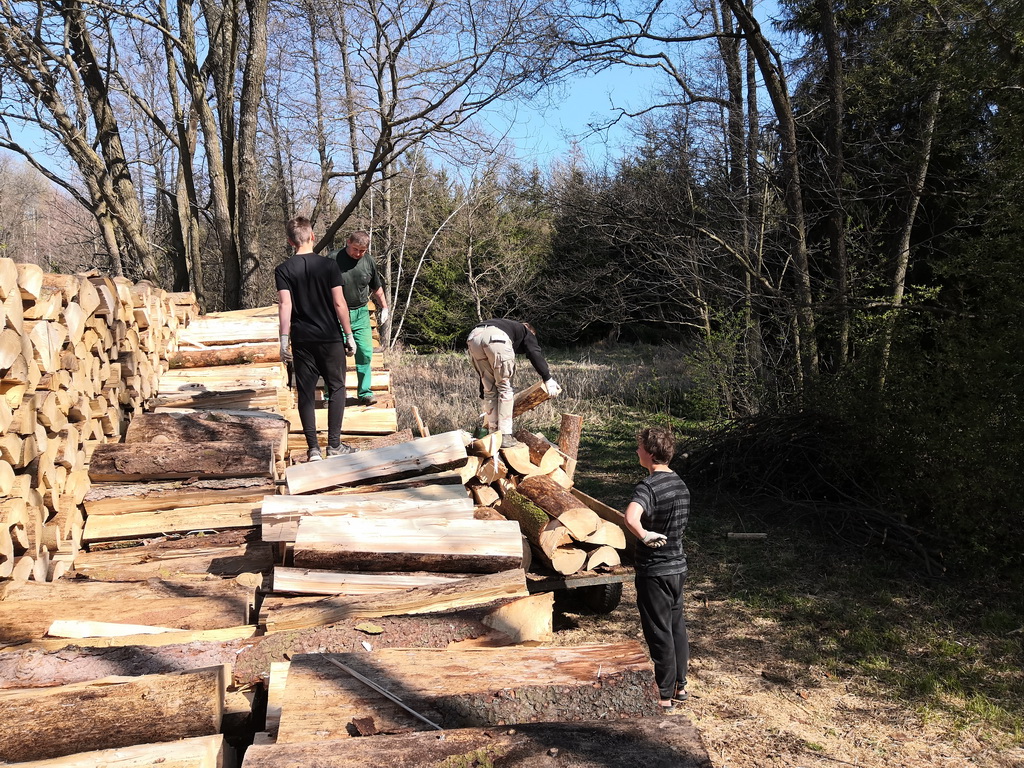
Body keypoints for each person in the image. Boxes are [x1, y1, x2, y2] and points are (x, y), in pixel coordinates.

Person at [276, 216, 358, 462]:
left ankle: (313, 449)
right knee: (337, 387)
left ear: (290, 242)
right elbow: (339, 303)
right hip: (330, 337)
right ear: (312, 236)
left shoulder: (283, 270)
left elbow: (285, 305)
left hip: (302, 339)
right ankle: (334, 445)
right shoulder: (329, 266)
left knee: (306, 392)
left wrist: (283, 339)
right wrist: (349, 335)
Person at [623, 426, 691, 711]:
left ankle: (664, 695)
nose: (636, 451)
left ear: (650, 453)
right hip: (677, 568)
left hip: (655, 572)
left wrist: (643, 534)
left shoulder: (648, 487)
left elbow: (631, 517)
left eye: (640, 447)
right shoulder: (680, 484)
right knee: (676, 627)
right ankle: (680, 686)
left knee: (659, 632)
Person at [466, 319, 561, 448]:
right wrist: (547, 378)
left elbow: (485, 375)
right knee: (505, 389)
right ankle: (505, 436)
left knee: (490, 391)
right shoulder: (526, 331)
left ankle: (493, 435)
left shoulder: (504, 325)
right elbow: (533, 352)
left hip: (473, 337)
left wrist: (483, 392)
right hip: (497, 339)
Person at [332, 231, 389, 405]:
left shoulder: (368, 261)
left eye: (362, 251)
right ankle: (331, 395)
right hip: (336, 313)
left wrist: (384, 307)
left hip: (361, 312)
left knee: (365, 352)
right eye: (355, 249)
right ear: (348, 242)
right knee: (335, 356)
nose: (358, 253)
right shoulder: (333, 259)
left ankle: (365, 393)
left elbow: (376, 287)